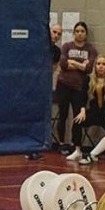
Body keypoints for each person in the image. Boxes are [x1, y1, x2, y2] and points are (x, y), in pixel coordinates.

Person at [55, 21, 97, 155]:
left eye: (82, 31)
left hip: (79, 88)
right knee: (63, 115)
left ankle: (75, 145)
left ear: (86, 34)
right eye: (77, 31)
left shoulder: (90, 49)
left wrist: (72, 62)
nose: (79, 33)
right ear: (74, 33)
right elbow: (63, 64)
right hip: (63, 85)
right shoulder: (67, 46)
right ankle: (61, 143)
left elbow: (89, 68)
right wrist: (80, 65)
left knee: (77, 116)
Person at [26, 22, 63, 161]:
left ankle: (37, 148)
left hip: (45, 87)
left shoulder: (57, 51)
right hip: (32, 86)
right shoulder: (39, 47)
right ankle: (28, 148)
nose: (56, 35)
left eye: (59, 33)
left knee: (43, 117)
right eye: (54, 32)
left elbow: (53, 68)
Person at [70, 55, 105, 164]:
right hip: (94, 111)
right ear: (95, 66)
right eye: (98, 64)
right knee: (77, 120)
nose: (100, 66)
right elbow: (82, 95)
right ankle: (78, 150)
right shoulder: (89, 78)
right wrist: (82, 110)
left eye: (103, 64)